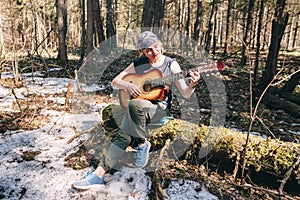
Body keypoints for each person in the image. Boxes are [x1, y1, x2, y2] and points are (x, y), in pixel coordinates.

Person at [72, 31, 200, 190]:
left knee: (134, 105)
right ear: (143, 51)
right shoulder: (140, 63)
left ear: (159, 45)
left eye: (155, 47)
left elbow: (185, 93)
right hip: (138, 110)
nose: (153, 52)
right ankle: (98, 175)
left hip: (158, 110)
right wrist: (129, 85)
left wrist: (192, 85)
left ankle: (141, 143)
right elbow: (115, 81)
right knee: (122, 135)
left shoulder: (171, 65)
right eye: (148, 50)